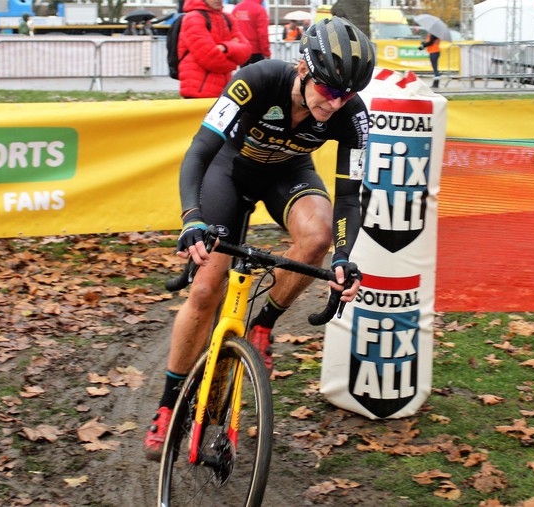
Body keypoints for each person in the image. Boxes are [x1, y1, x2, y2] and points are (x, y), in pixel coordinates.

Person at [142, 16, 375, 461]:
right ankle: (169, 403)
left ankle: (263, 324)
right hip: (228, 173)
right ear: (304, 69)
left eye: (346, 94)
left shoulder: (352, 115)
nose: (335, 103)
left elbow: (349, 194)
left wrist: (344, 256)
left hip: (287, 175)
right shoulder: (258, 80)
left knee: (319, 234)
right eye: (328, 90)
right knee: (207, 288)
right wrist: (192, 216)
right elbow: (200, 151)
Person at [176, 0, 250, 98]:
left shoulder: (227, 18)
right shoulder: (193, 18)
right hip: (198, 92)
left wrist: (225, 47)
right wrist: (233, 62)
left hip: (223, 91)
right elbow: (211, 58)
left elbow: (246, 50)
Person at [232, 0, 271, 66]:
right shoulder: (260, 9)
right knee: (259, 74)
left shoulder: (237, 8)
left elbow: (231, 29)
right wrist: (266, 52)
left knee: (243, 74)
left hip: (241, 49)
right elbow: (263, 34)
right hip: (256, 51)